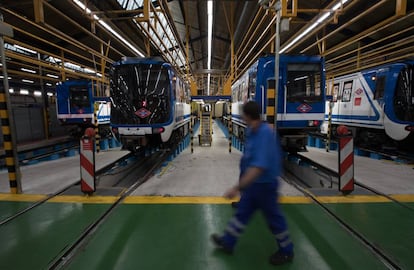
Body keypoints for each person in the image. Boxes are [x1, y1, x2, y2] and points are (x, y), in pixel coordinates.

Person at [211, 101, 294, 265]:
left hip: (265, 185)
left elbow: (259, 167)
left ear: (248, 116)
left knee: (274, 220)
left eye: (243, 114)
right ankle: (228, 242)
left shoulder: (264, 134)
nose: (241, 117)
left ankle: (287, 251)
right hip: (253, 186)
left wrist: (236, 188)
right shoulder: (252, 131)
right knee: (242, 214)